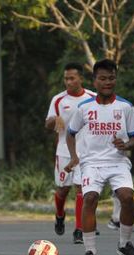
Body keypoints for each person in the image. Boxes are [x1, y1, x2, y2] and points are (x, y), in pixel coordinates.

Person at [66, 59, 134, 255]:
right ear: (95, 81)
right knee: (90, 198)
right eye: (102, 78)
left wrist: (126, 144)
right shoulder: (84, 108)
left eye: (111, 78)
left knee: (127, 196)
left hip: (118, 162)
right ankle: (91, 252)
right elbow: (70, 134)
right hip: (92, 163)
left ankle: (125, 244)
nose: (107, 82)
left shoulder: (125, 107)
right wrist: (74, 157)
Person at [45, 63, 96, 244]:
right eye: (66, 78)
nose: (68, 82)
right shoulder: (58, 100)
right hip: (64, 152)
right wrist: (54, 120)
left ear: (81, 78)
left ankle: (79, 229)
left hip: (86, 153)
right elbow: (48, 124)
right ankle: (60, 215)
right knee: (62, 190)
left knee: (81, 189)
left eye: (72, 78)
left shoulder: (93, 98)